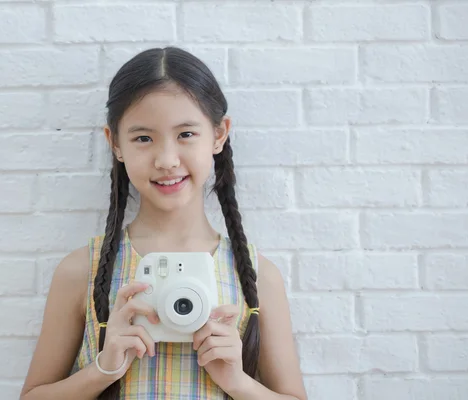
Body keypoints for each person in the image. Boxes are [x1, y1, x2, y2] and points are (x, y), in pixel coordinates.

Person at [19, 47, 307, 400]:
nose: (167, 160)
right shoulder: (83, 270)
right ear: (115, 144)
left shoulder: (257, 275)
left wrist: (236, 381)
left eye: (186, 134)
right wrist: (104, 369)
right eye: (143, 138)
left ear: (219, 134)